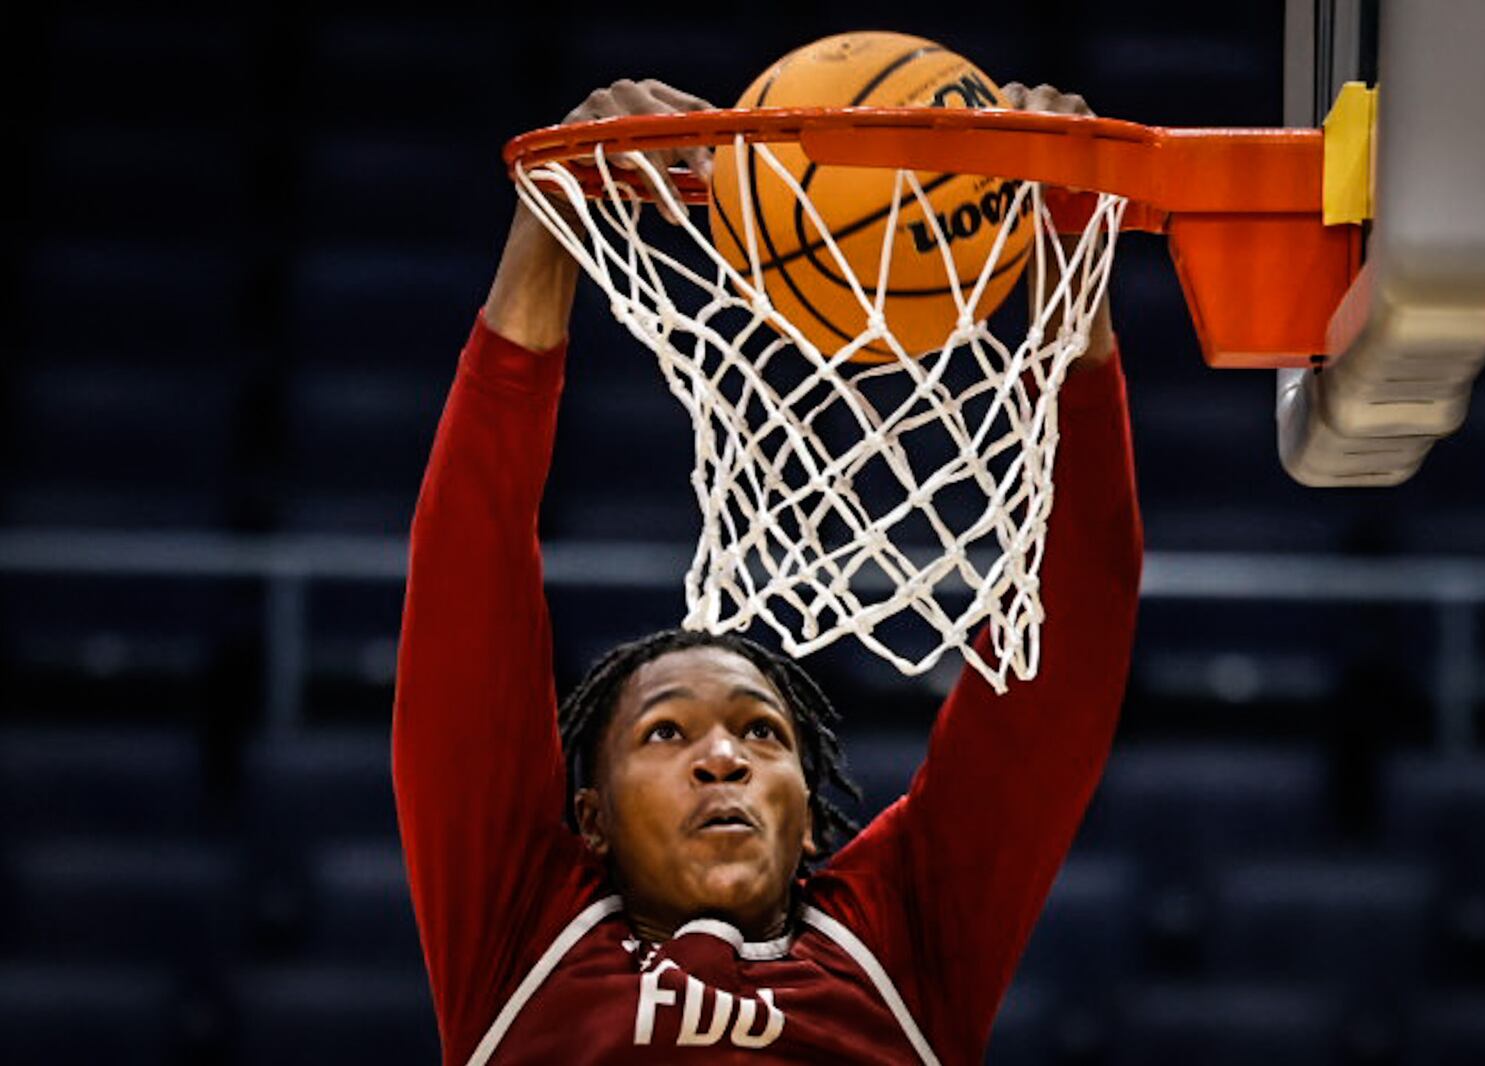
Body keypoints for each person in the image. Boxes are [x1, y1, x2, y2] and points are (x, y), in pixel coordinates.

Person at [393, 78, 1142, 1065]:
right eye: (666, 731)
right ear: (592, 820)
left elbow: (1069, 637)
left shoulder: (897, 942)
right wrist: (555, 210)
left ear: (806, 821)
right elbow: (467, 574)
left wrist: (1063, 245)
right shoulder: (524, 928)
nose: (723, 758)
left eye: (761, 732)